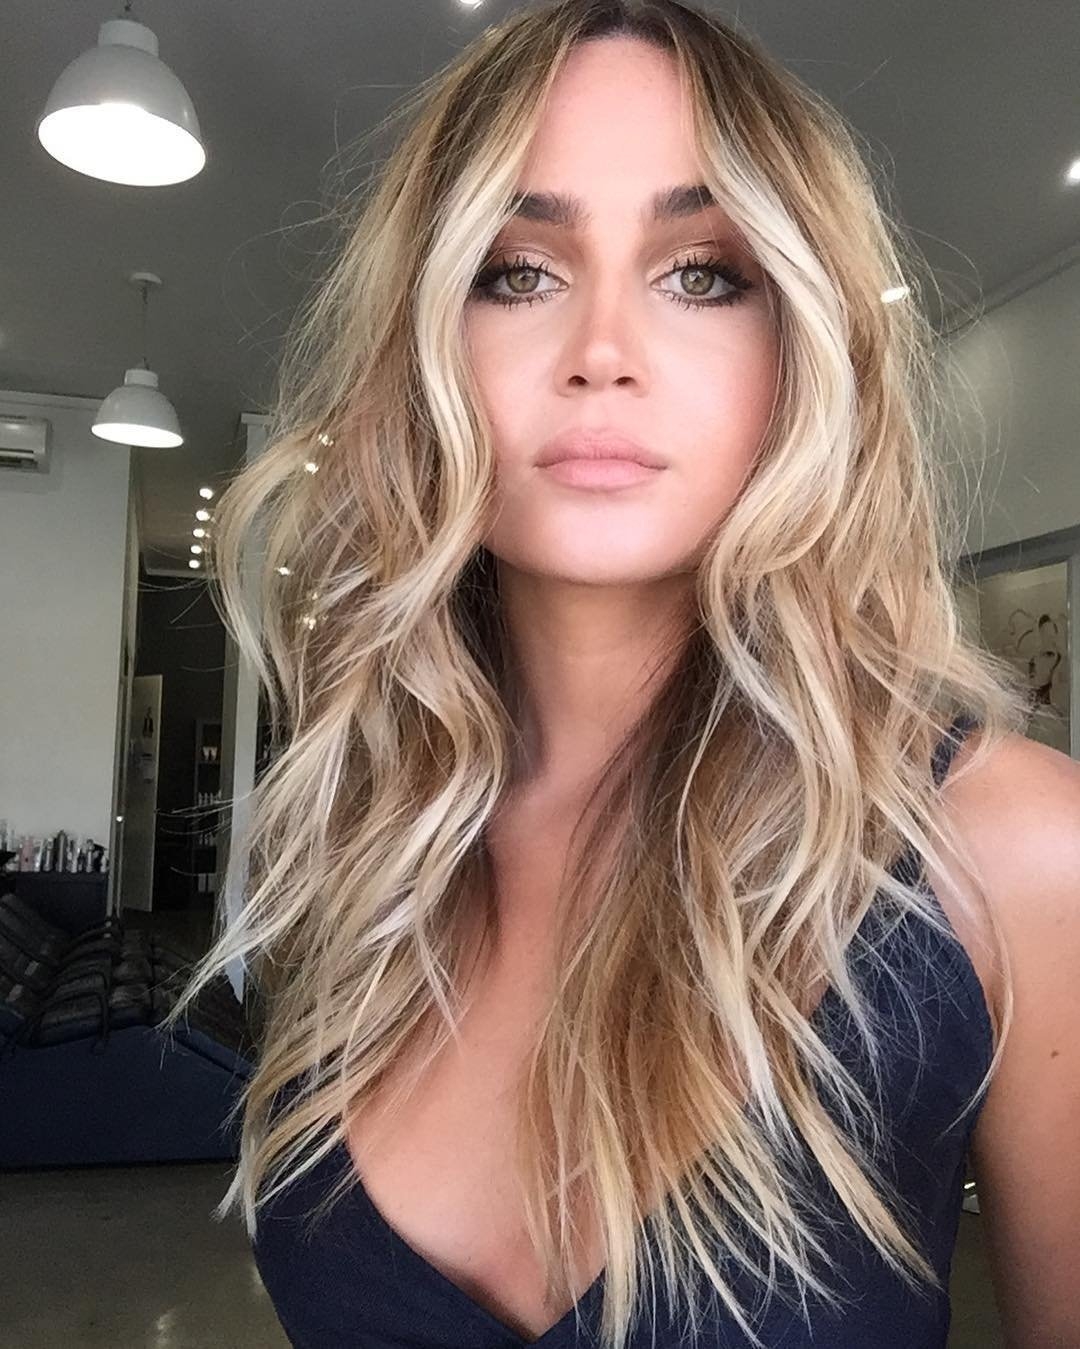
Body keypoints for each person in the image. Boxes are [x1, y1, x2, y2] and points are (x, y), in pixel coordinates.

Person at [171, 2, 1080, 1345]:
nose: (602, 351)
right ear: (424, 344)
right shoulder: (370, 839)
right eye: (516, 271)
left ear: (803, 350)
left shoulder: (1013, 858)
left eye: (702, 273)